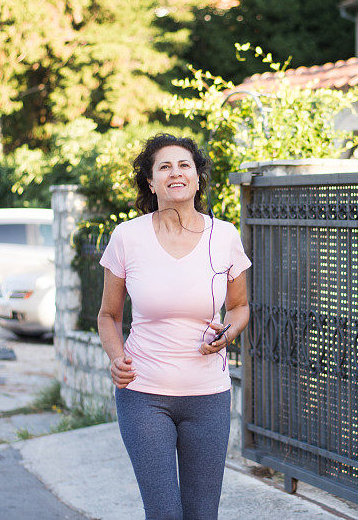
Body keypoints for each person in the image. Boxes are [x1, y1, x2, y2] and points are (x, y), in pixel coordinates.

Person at [97, 134, 251, 520]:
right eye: (164, 166)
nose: (175, 173)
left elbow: (239, 307)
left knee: (202, 514)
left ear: (198, 178)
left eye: (184, 165)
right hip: (144, 395)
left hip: (209, 398)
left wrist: (227, 333)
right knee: (164, 513)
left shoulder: (225, 236)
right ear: (151, 182)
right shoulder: (127, 237)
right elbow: (108, 315)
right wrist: (117, 357)